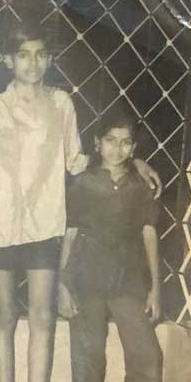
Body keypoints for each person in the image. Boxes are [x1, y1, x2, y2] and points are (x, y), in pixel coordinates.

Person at [0, 21, 161, 382]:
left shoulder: (61, 103)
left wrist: (132, 160)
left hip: (46, 227)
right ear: (8, 60)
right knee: (4, 314)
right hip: (1, 229)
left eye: (40, 55)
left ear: (49, 60)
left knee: (43, 316)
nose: (32, 63)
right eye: (23, 55)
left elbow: (76, 161)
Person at [58, 109, 162, 382]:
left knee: (147, 357)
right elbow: (70, 235)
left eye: (125, 142)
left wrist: (155, 287)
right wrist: (63, 287)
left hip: (127, 280)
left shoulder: (141, 186)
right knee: (88, 360)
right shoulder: (82, 184)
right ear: (97, 143)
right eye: (110, 140)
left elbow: (149, 233)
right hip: (86, 279)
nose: (117, 148)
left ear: (134, 148)